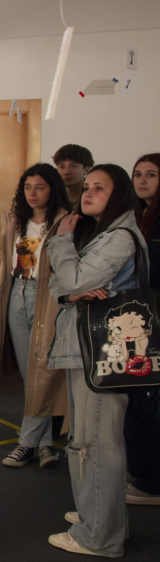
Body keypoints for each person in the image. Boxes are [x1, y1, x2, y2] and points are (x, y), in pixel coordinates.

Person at [45, 163, 143, 556]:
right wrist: (72, 292)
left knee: (96, 444)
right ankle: (100, 517)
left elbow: (70, 277)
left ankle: (100, 536)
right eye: (87, 187)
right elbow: (60, 285)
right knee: (88, 440)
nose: (87, 193)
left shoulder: (119, 237)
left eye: (99, 187)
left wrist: (62, 243)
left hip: (103, 352)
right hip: (88, 348)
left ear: (118, 194)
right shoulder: (100, 233)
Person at [0, 164, 72, 468]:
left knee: (42, 371)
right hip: (17, 292)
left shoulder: (65, 220)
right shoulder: (15, 219)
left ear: (53, 189)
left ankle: (26, 443)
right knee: (28, 373)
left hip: (47, 297)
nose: (32, 193)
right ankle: (45, 444)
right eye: (27, 187)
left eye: (40, 187)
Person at [127, 153, 160, 506]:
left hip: (154, 320)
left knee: (151, 403)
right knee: (138, 398)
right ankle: (144, 473)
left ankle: (152, 483)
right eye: (138, 174)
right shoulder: (135, 219)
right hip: (140, 321)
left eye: (151, 174)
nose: (142, 180)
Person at [53, 144, 94, 208]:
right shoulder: (51, 199)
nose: (66, 172)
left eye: (74, 166)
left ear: (87, 169)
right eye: (62, 167)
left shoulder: (94, 198)